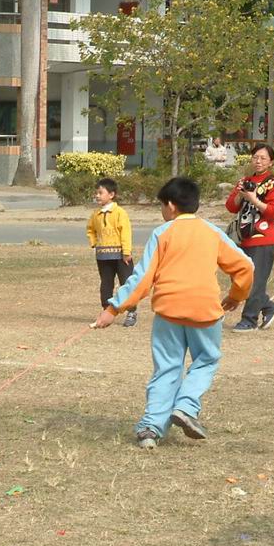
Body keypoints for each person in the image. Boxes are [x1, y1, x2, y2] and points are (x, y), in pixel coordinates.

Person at [93, 177, 253, 450]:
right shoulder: (212, 232)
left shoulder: (162, 233)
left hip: (169, 311)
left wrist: (113, 308)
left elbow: (142, 278)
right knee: (205, 360)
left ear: (170, 206)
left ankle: (151, 429)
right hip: (205, 310)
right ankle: (186, 407)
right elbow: (245, 266)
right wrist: (237, 296)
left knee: (167, 367)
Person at [224, 142, 274, 332]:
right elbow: (231, 207)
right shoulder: (245, 180)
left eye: (263, 158)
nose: (258, 161)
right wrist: (241, 194)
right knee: (243, 278)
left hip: (264, 238)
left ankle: (249, 320)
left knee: (256, 280)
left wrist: (254, 200)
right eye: (255, 157)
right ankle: (268, 306)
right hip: (243, 237)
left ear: (271, 162)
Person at [86, 177, 137, 327]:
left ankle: (131, 311)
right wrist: (94, 242)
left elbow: (125, 232)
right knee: (106, 284)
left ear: (111, 194)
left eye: (100, 193)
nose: (97, 196)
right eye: (96, 193)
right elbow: (90, 229)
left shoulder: (120, 213)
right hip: (103, 256)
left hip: (121, 256)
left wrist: (126, 252)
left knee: (126, 283)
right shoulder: (95, 214)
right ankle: (106, 310)